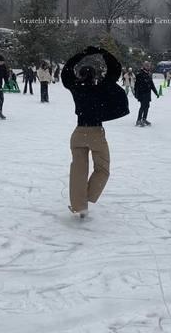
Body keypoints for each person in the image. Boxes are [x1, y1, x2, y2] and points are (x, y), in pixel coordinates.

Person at [61, 46, 129, 218]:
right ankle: (89, 196)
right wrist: (103, 52)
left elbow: (66, 72)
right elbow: (115, 70)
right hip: (96, 133)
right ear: (94, 77)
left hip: (78, 133)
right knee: (103, 169)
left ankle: (79, 206)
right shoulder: (100, 88)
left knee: (78, 171)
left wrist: (82, 54)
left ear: (80, 75)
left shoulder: (76, 88)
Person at [134, 61, 159, 127]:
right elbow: (136, 85)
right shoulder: (140, 74)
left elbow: (151, 84)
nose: (148, 67)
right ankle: (138, 120)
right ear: (144, 66)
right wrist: (136, 94)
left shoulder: (149, 74)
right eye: (146, 66)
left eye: (148, 66)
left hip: (147, 94)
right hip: (142, 94)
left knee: (147, 106)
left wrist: (156, 92)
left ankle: (144, 119)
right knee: (142, 106)